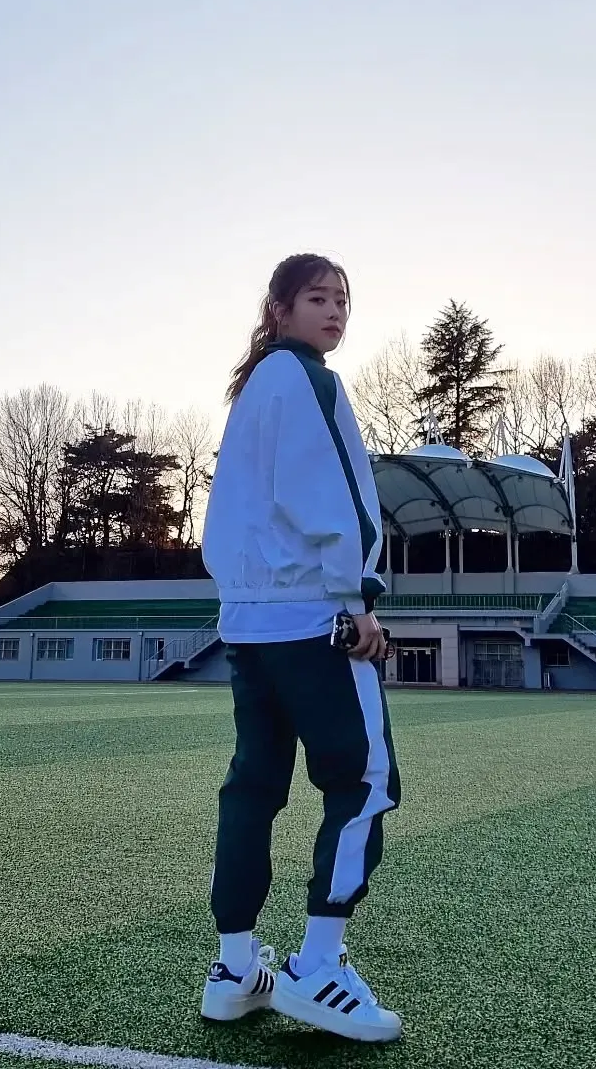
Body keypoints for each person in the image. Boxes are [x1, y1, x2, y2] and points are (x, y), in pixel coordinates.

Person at [199, 252, 402, 1044]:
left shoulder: (253, 388)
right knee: (365, 778)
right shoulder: (309, 380)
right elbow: (332, 495)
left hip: (248, 624)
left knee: (253, 786)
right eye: (318, 298)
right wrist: (356, 598)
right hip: (312, 617)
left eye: (343, 300)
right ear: (279, 309)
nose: (335, 311)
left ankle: (235, 968)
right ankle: (317, 964)